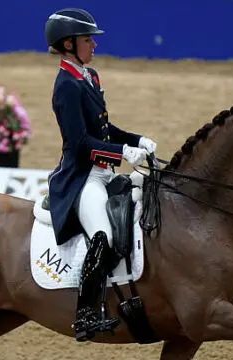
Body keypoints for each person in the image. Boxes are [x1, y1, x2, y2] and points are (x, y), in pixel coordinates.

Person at [44, 8, 158, 342]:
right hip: (83, 178)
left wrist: (135, 140)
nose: (93, 44)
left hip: (106, 173)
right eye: (87, 39)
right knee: (104, 236)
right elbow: (79, 143)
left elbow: (104, 130)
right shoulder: (66, 85)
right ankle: (86, 314)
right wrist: (122, 153)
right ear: (68, 44)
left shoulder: (89, 76)